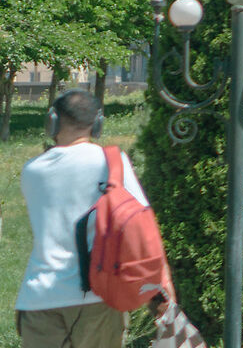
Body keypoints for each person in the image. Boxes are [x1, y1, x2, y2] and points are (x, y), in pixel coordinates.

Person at [17, 88, 152, 348]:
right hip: (99, 295)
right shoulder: (114, 163)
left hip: (41, 297)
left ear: (52, 121)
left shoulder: (31, 171)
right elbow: (142, 222)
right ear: (97, 123)